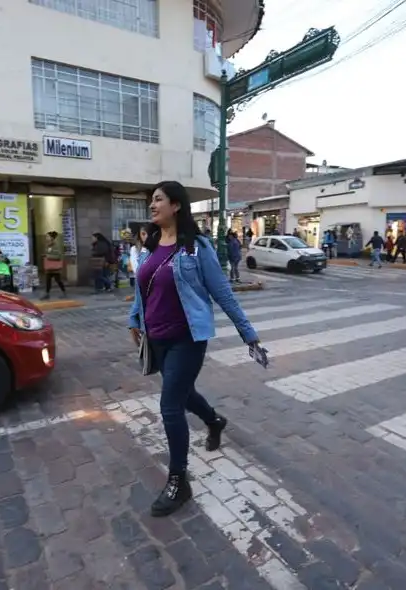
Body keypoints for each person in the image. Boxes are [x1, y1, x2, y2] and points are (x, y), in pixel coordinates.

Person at [128, 180, 260, 517]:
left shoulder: (197, 247)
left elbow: (223, 293)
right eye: (151, 200)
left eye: (158, 199)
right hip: (156, 337)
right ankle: (214, 421)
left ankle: (178, 480)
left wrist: (248, 334)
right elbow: (143, 288)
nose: (152, 205)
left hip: (188, 337)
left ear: (176, 206)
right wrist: (134, 319)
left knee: (170, 404)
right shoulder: (151, 245)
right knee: (184, 393)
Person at [41, 230, 67, 299]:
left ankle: (64, 292)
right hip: (49, 267)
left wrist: (47, 256)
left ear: (51, 238)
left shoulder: (56, 246)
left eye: (47, 236)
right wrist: (45, 255)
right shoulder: (48, 245)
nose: (46, 238)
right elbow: (49, 253)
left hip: (55, 268)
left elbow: (58, 256)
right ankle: (47, 294)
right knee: (48, 281)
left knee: (58, 280)